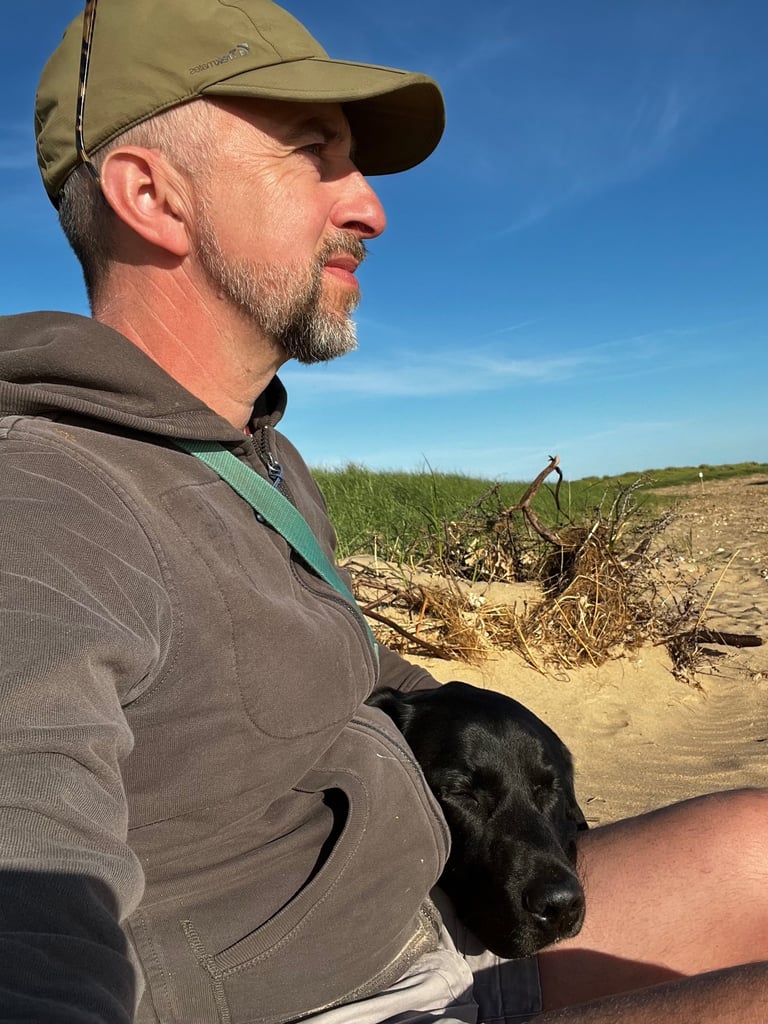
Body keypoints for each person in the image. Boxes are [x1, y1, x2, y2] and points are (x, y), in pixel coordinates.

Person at [1, 1, 766, 1021]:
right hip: (338, 998)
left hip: (423, 915)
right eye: (314, 154)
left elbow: (359, 670)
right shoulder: (51, 499)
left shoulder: (256, 461)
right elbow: (34, 909)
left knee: (757, 847)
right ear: (153, 195)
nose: (369, 207)